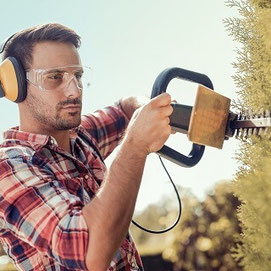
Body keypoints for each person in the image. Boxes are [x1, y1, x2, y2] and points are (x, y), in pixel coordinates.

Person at [0, 23, 173, 271]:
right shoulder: (9, 166)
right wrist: (135, 145)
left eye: (78, 76)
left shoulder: (81, 136)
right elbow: (90, 252)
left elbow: (125, 108)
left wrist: (147, 109)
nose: (74, 91)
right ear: (16, 85)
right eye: (55, 77)